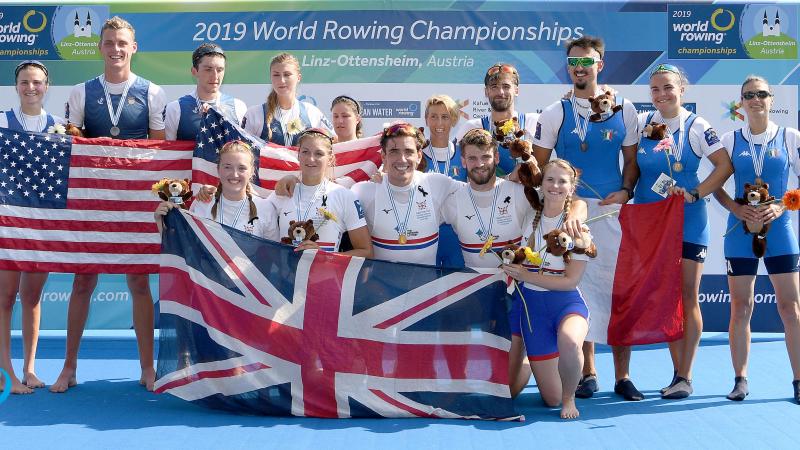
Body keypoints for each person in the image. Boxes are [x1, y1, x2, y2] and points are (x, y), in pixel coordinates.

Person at [55, 16, 167, 393]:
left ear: (134, 48)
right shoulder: (80, 92)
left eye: (122, 42)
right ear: (100, 47)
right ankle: (69, 368)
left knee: (138, 279)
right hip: (93, 200)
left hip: (134, 200)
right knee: (83, 278)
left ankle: (148, 369)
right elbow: (74, 149)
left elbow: (159, 154)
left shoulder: (152, 92)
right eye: (109, 42)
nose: (116, 49)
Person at [532, 35, 643, 401]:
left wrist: (626, 192)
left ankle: (623, 374)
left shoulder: (624, 108)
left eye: (587, 62)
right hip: (570, 212)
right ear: (568, 66)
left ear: (600, 65)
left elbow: (631, 162)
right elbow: (539, 167)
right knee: (582, 288)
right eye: (574, 62)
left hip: (610, 210)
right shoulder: (554, 113)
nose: (580, 68)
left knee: (617, 288)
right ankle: (588, 370)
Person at [635, 63, 732, 399]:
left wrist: (696, 193)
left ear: (682, 90)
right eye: (655, 89)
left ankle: (685, 376)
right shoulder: (644, 123)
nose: (661, 95)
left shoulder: (696, 125)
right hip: (652, 223)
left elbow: (724, 165)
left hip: (689, 220)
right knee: (664, 297)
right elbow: (635, 169)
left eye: (668, 88)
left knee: (687, 294)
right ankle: (677, 375)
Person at [713, 75, 800, 404]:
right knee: (740, 307)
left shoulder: (790, 137)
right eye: (749, 95)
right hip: (741, 234)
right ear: (741, 102)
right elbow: (712, 185)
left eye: (761, 94)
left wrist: (781, 205)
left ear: (771, 98)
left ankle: (798, 380)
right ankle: (740, 379)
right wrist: (735, 208)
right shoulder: (730, 139)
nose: (755, 99)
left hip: (780, 232)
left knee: (790, 308)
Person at [504, 159, 590, 419]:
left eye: (563, 181)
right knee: (549, 399)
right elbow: (506, 185)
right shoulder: (529, 215)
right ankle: (533, 361)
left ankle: (570, 398)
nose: (555, 186)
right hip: (531, 309)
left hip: (566, 304)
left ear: (572, 187)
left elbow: (570, 282)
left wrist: (527, 275)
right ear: (540, 184)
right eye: (550, 179)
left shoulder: (577, 227)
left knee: (570, 340)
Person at [0, 60, 65, 394]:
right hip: (8, 226)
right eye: (25, 82)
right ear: (16, 86)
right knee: (6, 297)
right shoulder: (2, 122)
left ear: (47, 86)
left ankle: (29, 369)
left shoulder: (61, 127)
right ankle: (5, 372)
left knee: (32, 297)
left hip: (42, 226)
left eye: (37, 82)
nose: (31, 88)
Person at [350, 123, 458, 265]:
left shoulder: (437, 184)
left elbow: (479, 190)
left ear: (419, 156)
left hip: (426, 286)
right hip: (381, 285)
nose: (401, 159)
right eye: (394, 151)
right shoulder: (363, 192)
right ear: (383, 156)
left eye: (408, 151)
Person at [265, 128, 372, 257]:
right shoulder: (283, 192)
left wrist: (324, 258)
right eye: (305, 152)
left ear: (330, 158)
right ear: (298, 155)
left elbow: (366, 252)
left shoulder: (344, 196)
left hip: (326, 276)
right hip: (285, 277)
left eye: (319, 154)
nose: (311, 159)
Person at [155, 140, 272, 235]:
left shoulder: (265, 208)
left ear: (252, 172)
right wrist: (162, 222)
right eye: (227, 167)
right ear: (218, 169)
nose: (235, 174)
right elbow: (186, 248)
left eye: (242, 168)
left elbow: (274, 256)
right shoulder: (203, 202)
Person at [457, 63, 539, 176]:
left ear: (516, 90)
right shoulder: (472, 128)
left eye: (506, 86)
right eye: (494, 87)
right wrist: (509, 178)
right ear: (486, 92)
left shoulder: (533, 122)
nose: (500, 92)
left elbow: (546, 171)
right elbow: (457, 172)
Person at [242, 53, 333, 146]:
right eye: (276, 75)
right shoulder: (254, 114)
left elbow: (333, 143)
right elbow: (242, 150)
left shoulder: (312, 113)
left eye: (287, 74)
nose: (281, 80)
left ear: (298, 78)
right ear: (270, 77)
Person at [164, 43, 247, 141]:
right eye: (208, 70)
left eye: (220, 70)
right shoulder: (175, 108)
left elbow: (245, 150)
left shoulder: (238, 106)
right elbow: (168, 152)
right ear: (194, 71)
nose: (215, 76)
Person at [421, 95, 467, 268]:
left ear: (453, 120)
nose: (439, 123)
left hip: (458, 237)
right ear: (426, 119)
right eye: (433, 116)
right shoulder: (415, 156)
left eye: (445, 117)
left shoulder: (464, 154)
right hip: (427, 235)